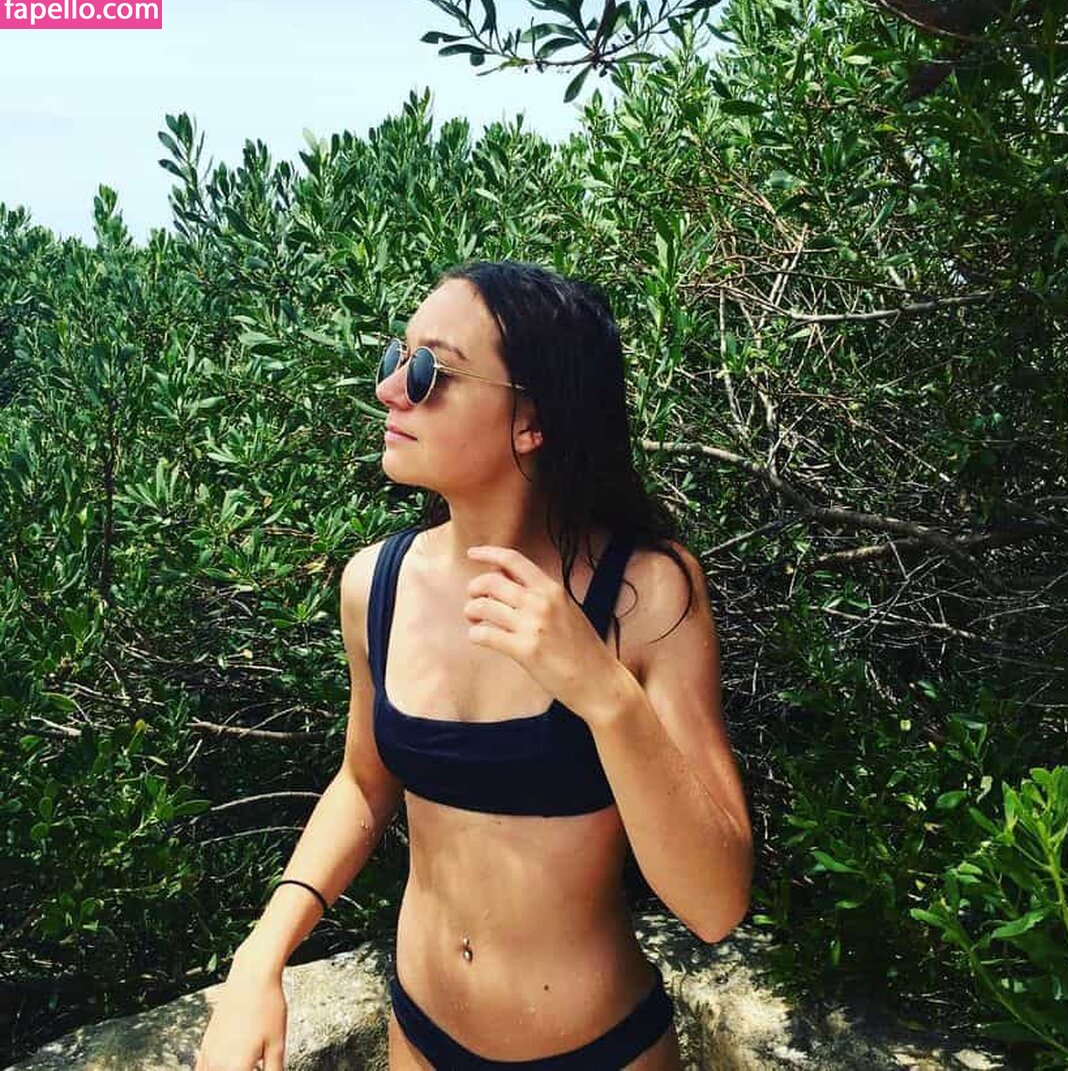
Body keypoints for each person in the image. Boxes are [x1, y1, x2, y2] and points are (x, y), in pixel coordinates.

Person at [195, 261, 753, 1070]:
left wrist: (601, 691)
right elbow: (364, 783)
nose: (391, 389)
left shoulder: (647, 591)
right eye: (396, 358)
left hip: (598, 1050)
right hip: (420, 1037)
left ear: (531, 419)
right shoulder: (375, 585)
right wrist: (262, 953)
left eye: (431, 371)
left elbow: (715, 902)